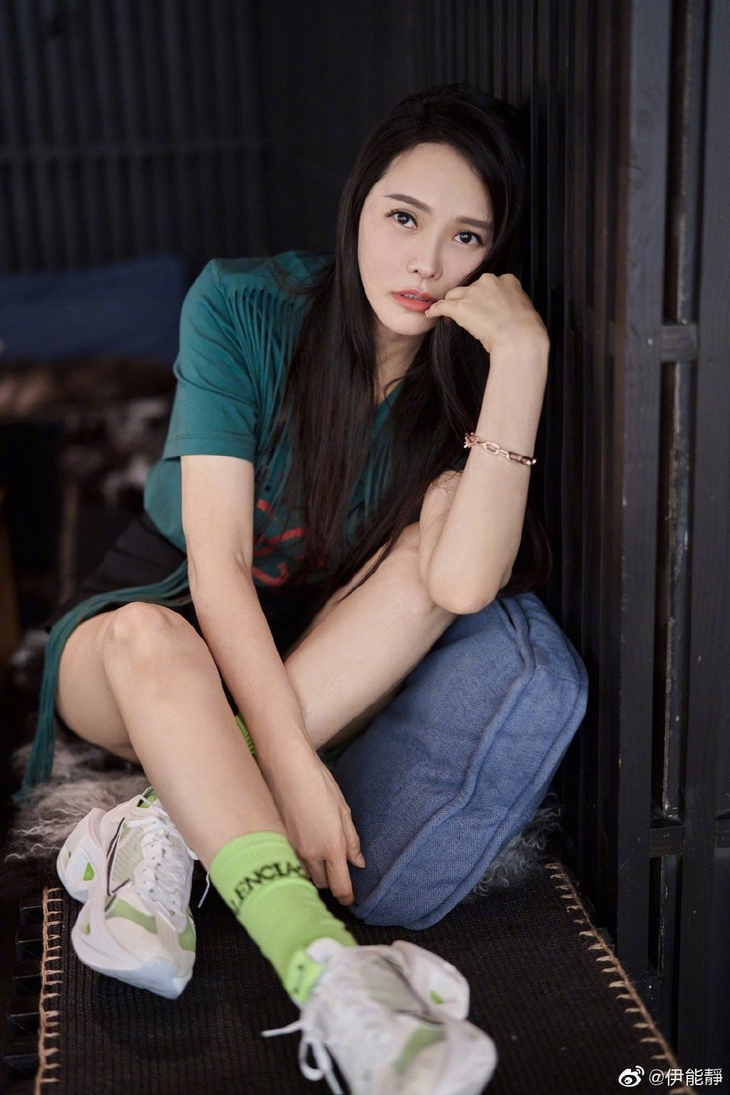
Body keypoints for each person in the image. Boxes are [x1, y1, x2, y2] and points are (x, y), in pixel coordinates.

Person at [17, 82, 562, 1094]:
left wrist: (523, 359)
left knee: (430, 555)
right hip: (158, 612)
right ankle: (327, 960)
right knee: (148, 639)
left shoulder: (467, 380)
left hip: (302, 655)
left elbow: (459, 581)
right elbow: (217, 566)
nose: (425, 263)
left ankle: (163, 825)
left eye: (466, 237)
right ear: (358, 206)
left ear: (495, 258)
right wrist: (291, 765)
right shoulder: (244, 305)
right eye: (403, 217)